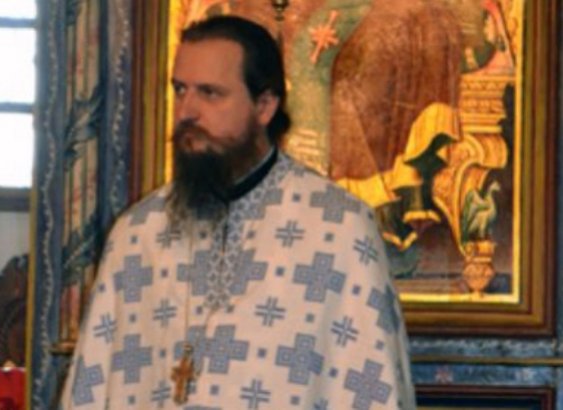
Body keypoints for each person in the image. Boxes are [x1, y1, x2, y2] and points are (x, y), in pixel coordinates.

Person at [60, 15, 416, 409]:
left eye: (210, 93)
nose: (186, 111)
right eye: (180, 90)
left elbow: (373, 389)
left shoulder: (340, 230)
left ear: (264, 106)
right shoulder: (137, 234)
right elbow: (92, 387)